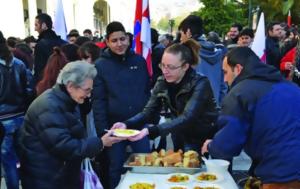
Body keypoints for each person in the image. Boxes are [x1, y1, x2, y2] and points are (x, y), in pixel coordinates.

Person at [201, 47, 300, 189]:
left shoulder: (240, 92)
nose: (224, 79)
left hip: (282, 170)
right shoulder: (292, 87)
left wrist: (211, 146)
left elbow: (228, 144)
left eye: (225, 72)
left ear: (238, 69)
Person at [18, 61, 124, 189]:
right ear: (70, 86)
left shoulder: (67, 100)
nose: (89, 95)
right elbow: (65, 146)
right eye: (87, 90)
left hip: (57, 174)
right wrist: (100, 143)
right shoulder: (49, 106)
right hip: (46, 178)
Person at [112, 39, 218, 154]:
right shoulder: (162, 81)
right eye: (163, 65)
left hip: (204, 138)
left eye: (171, 67)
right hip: (179, 135)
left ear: (185, 66)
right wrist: (126, 124)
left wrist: (151, 130)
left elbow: (188, 117)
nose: (165, 71)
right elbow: (148, 111)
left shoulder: (200, 83)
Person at [92, 21, 151, 189]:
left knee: (145, 164)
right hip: (114, 127)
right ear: (107, 42)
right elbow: (99, 101)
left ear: (128, 38)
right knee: (114, 168)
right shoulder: (100, 65)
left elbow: (147, 92)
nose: (119, 44)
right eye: (114, 40)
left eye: (122, 39)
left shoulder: (139, 61)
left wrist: (150, 119)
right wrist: (103, 131)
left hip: (139, 125)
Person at [0, 31, 33, 189]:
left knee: (9, 162)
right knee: (24, 158)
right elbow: (29, 89)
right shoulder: (18, 63)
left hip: (3, 120)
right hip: (21, 116)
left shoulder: (16, 63)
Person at [178, 15, 226, 108]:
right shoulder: (217, 52)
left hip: (191, 111)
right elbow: (223, 85)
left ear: (188, 32)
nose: (180, 39)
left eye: (181, 34)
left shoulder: (188, 53)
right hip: (213, 109)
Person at [34, 13, 66, 85]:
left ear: (44, 25)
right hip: (64, 83)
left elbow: (39, 70)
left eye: (36, 25)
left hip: (47, 85)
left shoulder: (40, 45)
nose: (35, 29)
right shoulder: (64, 43)